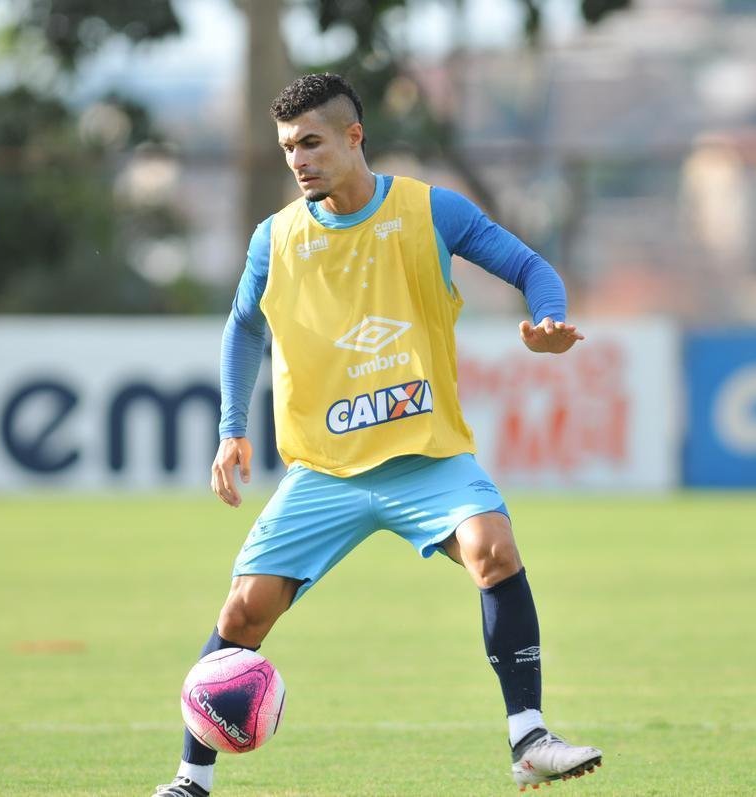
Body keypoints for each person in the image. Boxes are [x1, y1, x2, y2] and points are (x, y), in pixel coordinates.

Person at [153, 73, 602, 796]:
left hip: (425, 459)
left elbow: (529, 266)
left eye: (311, 142)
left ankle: (529, 737)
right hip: (324, 473)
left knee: (493, 547)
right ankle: (188, 780)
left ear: (354, 137)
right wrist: (231, 427)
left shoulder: (431, 212)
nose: (298, 159)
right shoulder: (276, 238)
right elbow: (243, 326)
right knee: (242, 612)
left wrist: (547, 321)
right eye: (287, 147)